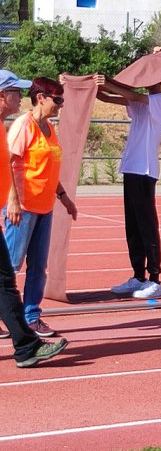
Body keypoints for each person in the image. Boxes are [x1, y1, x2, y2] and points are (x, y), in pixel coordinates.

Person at [0, 71, 68, 367]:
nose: (19, 96)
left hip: (41, 207)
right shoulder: (20, 126)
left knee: (13, 277)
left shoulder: (9, 127)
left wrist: (64, 198)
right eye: (14, 91)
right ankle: (25, 343)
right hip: (22, 208)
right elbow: (12, 165)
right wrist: (13, 200)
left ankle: (26, 338)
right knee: (7, 275)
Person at [97, 74, 161, 299]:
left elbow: (130, 94)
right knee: (133, 226)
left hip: (145, 170)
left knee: (147, 225)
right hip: (131, 168)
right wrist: (89, 85)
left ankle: (155, 279)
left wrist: (107, 81)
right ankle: (138, 275)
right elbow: (110, 99)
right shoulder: (140, 102)